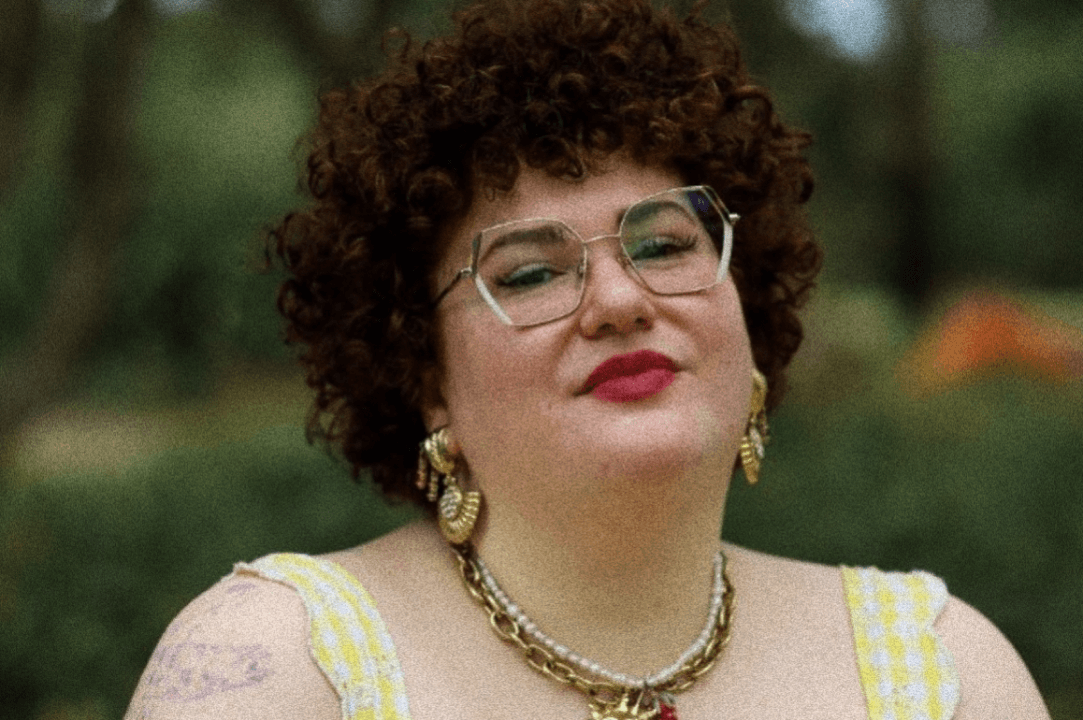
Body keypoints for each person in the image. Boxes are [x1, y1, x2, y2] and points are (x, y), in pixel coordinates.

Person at [124, 1, 1050, 718]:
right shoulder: (279, 670)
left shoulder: (942, 671)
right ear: (422, 374)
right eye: (529, 273)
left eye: (661, 246)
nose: (618, 300)